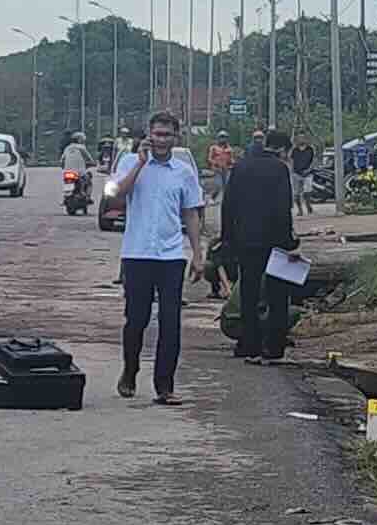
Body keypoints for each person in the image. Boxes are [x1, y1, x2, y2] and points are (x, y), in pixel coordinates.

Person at [107, 111, 204, 404]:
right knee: (136, 319)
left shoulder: (183, 172)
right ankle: (130, 369)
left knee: (170, 321)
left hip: (172, 256)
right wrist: (139, 163)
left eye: (167, 135)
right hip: (137, 254)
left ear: (176, 138)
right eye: (157, 134)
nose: (161, 140)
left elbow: (191, 214)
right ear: (148, 135)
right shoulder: (128, 162)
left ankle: (165, 386)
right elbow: (114, 195)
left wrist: (198, 255)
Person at [224, 128, 300, 363]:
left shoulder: (241, 166)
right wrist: (289, 242)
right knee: (277, 295)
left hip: (246, 240)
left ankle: (248, 343)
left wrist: (228, 239)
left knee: (249, 292)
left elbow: (228, 206)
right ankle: (273, 346)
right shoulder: (280, 169)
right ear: (282, 149)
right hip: (275, 242)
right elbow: (283, 208)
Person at [60, 132, 94, 203]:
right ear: (79, 140)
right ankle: (87, 197)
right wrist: (92, 163)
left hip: (68, 172)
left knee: (67, 182)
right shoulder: (82, 147)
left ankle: (65, 197)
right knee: (89, 182)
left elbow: (62, 160)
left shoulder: (67, 148)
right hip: (80, 172)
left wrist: (64, 166)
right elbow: (89, 158)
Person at [289, 134, 317, 216]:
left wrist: (309, 169)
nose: (301, 140)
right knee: (296, 194)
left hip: (308, 174)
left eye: (303, 138)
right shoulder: (294, 150)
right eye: (299, 138)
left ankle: (308, 207)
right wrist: (292, 171)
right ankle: (300, 210)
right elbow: (291, 160)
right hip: (296, 174)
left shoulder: (310, 149)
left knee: (307, 192)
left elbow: (314, 161)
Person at [207, 131, 237, 202]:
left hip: (226, 169)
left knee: (227, 186)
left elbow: (231, 159)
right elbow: (209, 158)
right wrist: (215, 163)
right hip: (217, 169)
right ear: (218, 138)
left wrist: (234, 163)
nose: (223, 139)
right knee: (218, 185)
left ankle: (227, 200)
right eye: (221, 137)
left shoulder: (229, 149)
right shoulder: (214, 148)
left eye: (224, 137)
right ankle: (211, 198)